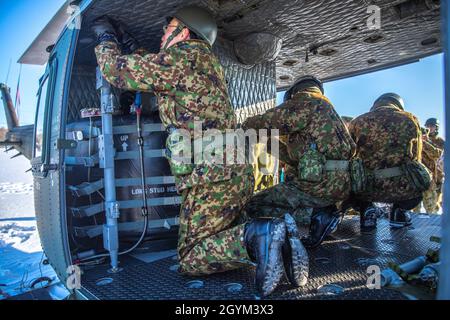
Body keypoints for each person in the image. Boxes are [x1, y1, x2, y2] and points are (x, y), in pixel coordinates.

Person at [92, 6, 307, 296]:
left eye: (168, 29)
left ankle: (260, 235)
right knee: (219, 234)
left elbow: (115, 71)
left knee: (191, 256)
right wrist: (134, 47)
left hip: (210, 174)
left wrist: (106, 37)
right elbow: (157, 70)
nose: (162, 34)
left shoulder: (179, 57)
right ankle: (276, 240)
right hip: (236, 170)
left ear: (184, 32)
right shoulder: (204, 62)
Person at [242, 76, 356, 248]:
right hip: (341, 183)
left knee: (254, 205)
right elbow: (296, 157)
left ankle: (265, 244)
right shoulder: (327, 109)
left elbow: (268, 121)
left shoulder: (306, 100)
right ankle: (324, 212)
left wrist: (244, 126)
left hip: (320, 184)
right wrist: (267, 143)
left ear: (293, 92)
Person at [345, 93, 430, 230]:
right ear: (398, 104)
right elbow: (416, 158)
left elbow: (349, 155)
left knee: (354, 189)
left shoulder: (357, 121)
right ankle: (399, 212)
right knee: (418, 187)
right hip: (402, 191)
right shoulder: (410, 119)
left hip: (367, 189)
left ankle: (367, 211)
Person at [425, 118, 445, 210]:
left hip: (437, 178)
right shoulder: (420, 139)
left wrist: (427, 142)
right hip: (423, 177)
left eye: (431, 126)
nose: (429, 128)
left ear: (436, 127)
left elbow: (437, 154)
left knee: (433, 208)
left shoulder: (441, 141)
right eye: (427, 126)